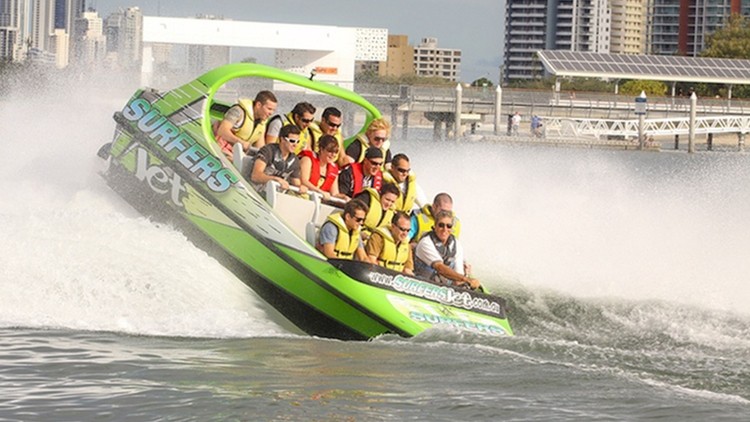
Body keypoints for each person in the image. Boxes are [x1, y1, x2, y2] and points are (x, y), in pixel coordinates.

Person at [414, 210, 480, 290]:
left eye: (449, 226)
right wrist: (466, 279)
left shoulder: (456, 244)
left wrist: (467, 279)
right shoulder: (426, 242)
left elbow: (458, 276)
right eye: (441, 225)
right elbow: (440, 268)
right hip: (420, 287)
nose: (445, 229)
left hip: (444, 290)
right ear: (435, 226)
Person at [245, 124, 308, 195]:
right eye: (292, 141)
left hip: (273, 196)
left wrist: (301, 188)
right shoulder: (268, 151)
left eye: (298, 141)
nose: (295, 145)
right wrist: (275, 179)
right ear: (282, 139)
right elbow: (255, 176)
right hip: (252, 192)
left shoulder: (294, 160)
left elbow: (296, 184)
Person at [213, 90, 277, 159]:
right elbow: (222, 131)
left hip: (238, 155)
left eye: (273, 110)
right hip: (221, 151)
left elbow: (260, 145)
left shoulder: (262, 122)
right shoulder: (238, 111)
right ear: (258, 105)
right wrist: (241, 143)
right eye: (269, 109)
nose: (271, 113)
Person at [298, 134, 348, 201]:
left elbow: (335, 193)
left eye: (336, 152)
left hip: (316, 201)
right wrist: (319, 191)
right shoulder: (307, 160)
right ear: (321, 149)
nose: (333, 155)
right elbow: (303, 180)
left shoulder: (334, 169)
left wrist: (344, 197)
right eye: (330, 151)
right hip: (300, 197)